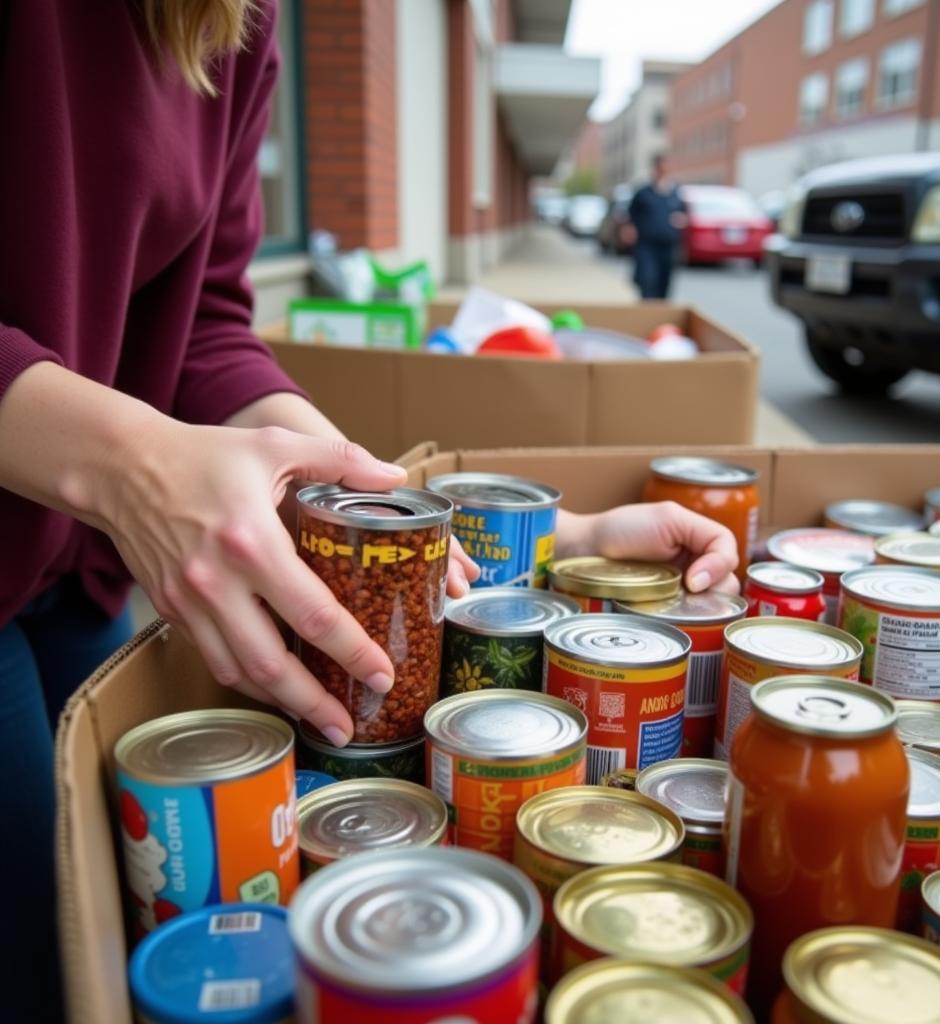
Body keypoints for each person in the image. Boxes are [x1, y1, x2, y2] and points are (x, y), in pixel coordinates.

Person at [0, 3, 738, 1019]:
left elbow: (208, 326)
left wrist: (542, 546)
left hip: (82, 567)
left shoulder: (235, 21)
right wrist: (132, 467)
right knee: (35, 964)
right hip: (74, 522)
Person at [627, 154, 688, 300]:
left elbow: (684, 214)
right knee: (647, 280)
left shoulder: (676, 193)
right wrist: (630, 229)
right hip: (647, 245)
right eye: (660, 168)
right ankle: (647, 311)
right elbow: (630, 216)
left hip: (668, 246)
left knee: (664, 284)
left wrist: (682, 220)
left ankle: (661, 313)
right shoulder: (643, 193)